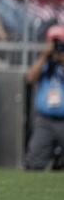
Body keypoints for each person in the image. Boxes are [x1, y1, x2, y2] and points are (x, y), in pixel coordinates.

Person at [25, 25, 64, 170]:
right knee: (34, 162)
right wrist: (44, 56)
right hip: (45, 120)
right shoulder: (45, 63)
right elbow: (29, 78)